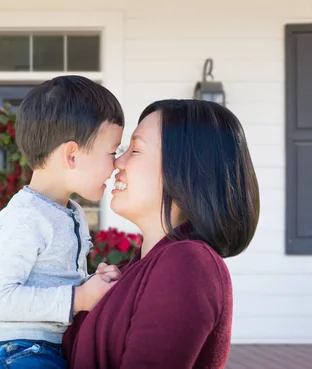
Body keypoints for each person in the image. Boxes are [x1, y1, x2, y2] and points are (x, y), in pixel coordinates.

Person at [61, 99, 260, 369]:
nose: (117, 161)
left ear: (185, 169)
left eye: (136, 150)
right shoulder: (136, 268)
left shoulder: (189, 263)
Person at [0, 75, 126, 369]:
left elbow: (54, 281)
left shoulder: (72, 212)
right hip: (13, 351)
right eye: (112, 152)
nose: (117, 163)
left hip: (48, 348)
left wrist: (92, 284)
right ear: (71, 155)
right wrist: (78, 298)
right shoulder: (25, 217)